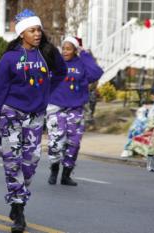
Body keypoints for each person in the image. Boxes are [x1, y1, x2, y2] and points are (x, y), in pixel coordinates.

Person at [0, 9, 66, 233]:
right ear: (22, 34)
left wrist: (47, 94)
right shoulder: (9, 59)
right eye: (32, 30)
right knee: (12, 161)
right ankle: (18, 209)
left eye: (39, 29)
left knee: (31, 162)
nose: (37, 34)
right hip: (10, 114)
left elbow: (61, 72)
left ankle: (18, 197)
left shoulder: (48, 53)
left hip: (35, 116)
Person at [46, 36, 104, 186]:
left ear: (75, 50)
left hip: (75, 109)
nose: (65, 51)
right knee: (56, 142)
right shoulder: (56, 62)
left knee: (74, 143)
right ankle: (54, 170)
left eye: (69, 49)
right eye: (63, 48)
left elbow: (96, 73)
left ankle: (66, 175)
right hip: (56, 108)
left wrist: (84, 54)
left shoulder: (81, 64)